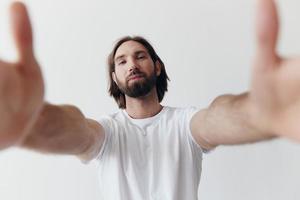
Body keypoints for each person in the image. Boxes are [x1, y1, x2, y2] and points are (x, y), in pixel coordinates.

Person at [0, 0, 300, 199]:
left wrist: (257, 113)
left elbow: (217, 119)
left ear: (156, 67)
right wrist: (34, 122)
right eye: (121, 61)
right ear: (115, 78)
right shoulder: (107, 133)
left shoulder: (185, 125)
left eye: (140, 56)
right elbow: (76, 131)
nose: (131, 64)